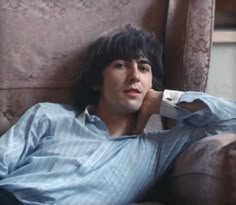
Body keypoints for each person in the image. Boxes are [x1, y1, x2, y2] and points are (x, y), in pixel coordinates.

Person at [0, 24, 235, 205]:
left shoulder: (158, 149)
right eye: (121, 65)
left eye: (144, 68)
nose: (134, 75)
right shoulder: (49, 115)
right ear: (96, 82)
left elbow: (230, 120)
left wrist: (162, 100)